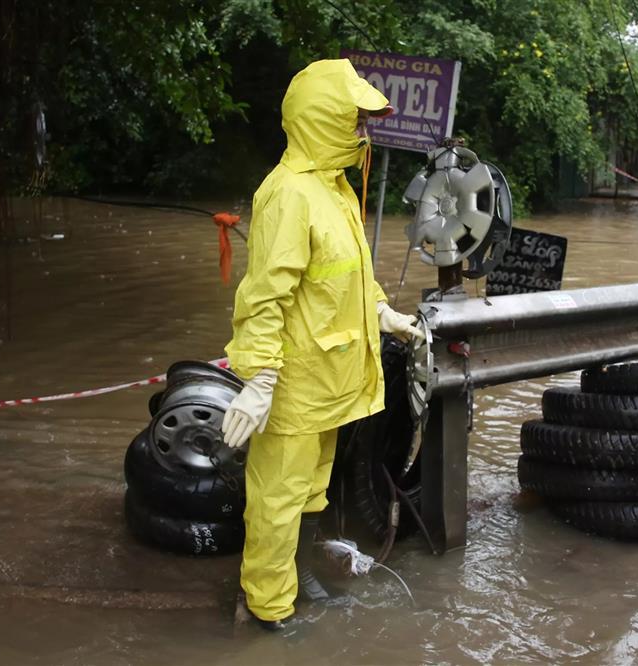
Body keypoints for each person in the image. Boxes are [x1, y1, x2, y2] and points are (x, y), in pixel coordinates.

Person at [221, 59, 423, 632]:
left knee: (312, 490)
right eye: (354, 119)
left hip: (331, 381)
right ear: (322, 119)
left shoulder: (334, 189)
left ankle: (303, 577)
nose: (363, 132)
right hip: (294, 386)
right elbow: (264, 297)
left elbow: (347, 275)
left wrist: (383, 312)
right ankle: (269, 608)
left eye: (364, 120)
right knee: (277, 503)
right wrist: (259, 377)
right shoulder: (287, 195)